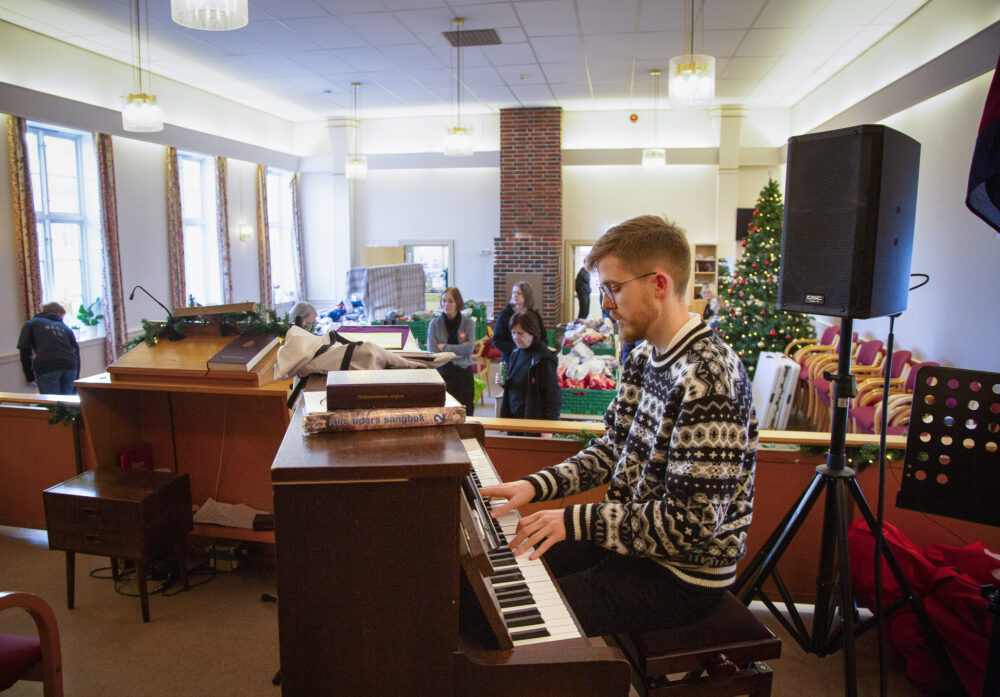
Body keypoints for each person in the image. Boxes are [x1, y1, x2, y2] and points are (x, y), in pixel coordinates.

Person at [480, 215, 757, 637]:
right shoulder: (644, 356)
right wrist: (535, 487)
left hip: (681, 575)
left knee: (503, 622)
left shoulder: (711, 377)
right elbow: (611, 450)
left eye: (613, 288)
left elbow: (691, 523)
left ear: (658, 284)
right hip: (631, 542)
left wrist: (573, 521)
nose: (605, 304)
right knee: (498, 574)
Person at [497, 311, 561, 429]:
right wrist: (504, 383)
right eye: (513, 333)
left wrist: (548, 428)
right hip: (514, 418)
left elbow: (553, 396)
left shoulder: (543, 358)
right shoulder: (516, 353)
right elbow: (518, 384)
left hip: (533, 421)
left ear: (532, 332)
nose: (516, 337)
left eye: (520, 333)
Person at [427, 287, 475, 416]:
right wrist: (459, 351)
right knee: (445, 413)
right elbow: (432, 352)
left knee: (466, 411)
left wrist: (444, 347)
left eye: (450, 301)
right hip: (443, 373)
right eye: (443, 301)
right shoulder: (434, 324)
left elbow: (470, 348)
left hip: (463, 373)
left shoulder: (468, 323)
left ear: (457, 302)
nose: (446, 304)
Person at [17, 302, 81, 395]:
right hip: (70, 366)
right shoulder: (65, 327)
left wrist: (29, 376)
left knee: (52, 405)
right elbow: (76, 352)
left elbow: (24, 349)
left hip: (47, 367)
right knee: (68, 404)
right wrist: (76, 378)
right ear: (58, 314)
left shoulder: (31, 324)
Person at [493, 281, 546, 365]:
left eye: (519, 293)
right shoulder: (504, 315)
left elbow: (543, 338)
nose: (515, 295)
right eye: (513, 293)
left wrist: (535, 349)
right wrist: (518, 348)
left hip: (531, 357)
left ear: (527, 296)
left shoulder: (534, 315)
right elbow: (497, 341)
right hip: (510, 358)